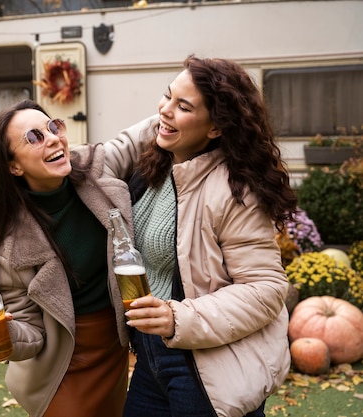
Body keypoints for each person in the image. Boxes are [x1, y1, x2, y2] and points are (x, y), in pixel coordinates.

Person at [104, 55, 299, 417]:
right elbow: (102, 157)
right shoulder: (157, 165)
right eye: (166, 96)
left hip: (208, 366)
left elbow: (267, 289)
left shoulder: (233, 189)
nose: (164, 110)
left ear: (215, 128)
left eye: (183, 106)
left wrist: (178, 319)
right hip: (150, 358)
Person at [0, 100, 130, 417]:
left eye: (52, 127)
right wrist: (6, 334)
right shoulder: (8, 245)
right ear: (14, 166)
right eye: (34, 137)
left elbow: (151, 131)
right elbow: (31, 331)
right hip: (59, 366)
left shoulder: (94, 170)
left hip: (113, 350)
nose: (54, 138)